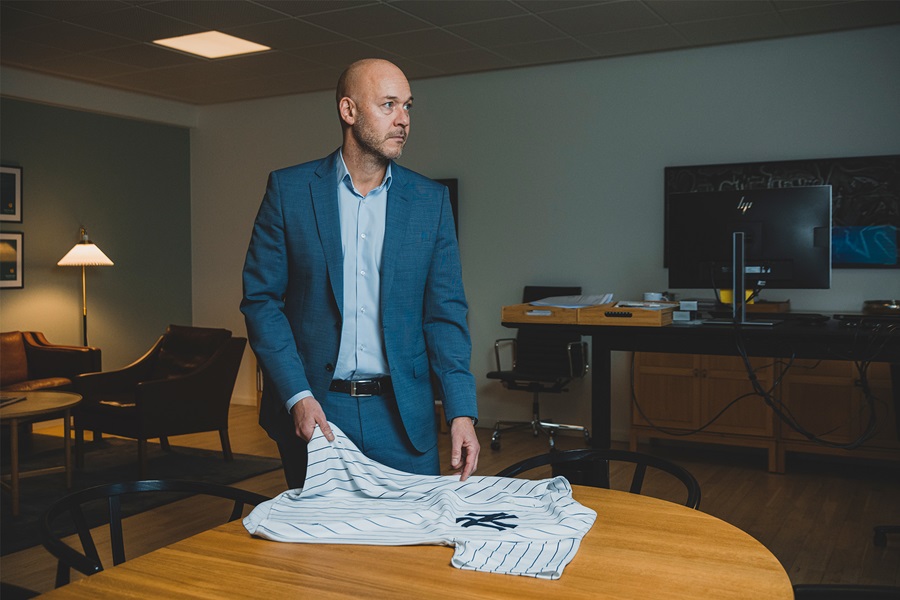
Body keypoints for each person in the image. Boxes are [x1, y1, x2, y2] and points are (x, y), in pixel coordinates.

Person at [241, 58, 479, 489]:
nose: (403, 119)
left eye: (407, 106)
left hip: (404, 416)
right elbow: (261, 301)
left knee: (416, 533)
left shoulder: (430, 201)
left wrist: (461, 410)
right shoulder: (289, 191)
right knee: (321, 535)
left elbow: (445, 315)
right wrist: (297, 395)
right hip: (317, 412)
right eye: (388, 104)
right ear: (348, 111)